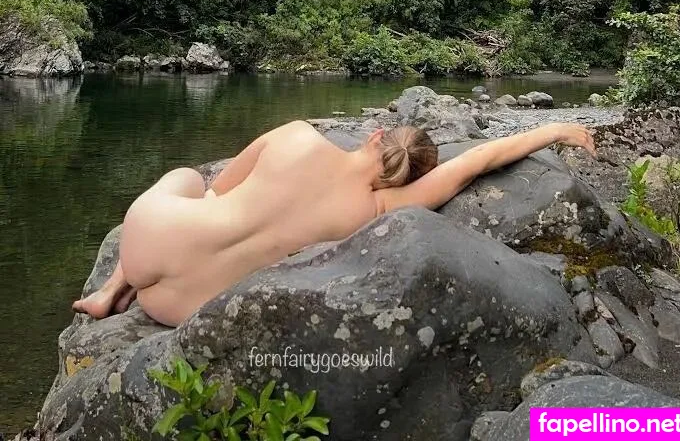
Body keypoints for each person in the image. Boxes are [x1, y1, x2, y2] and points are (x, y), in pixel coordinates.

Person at [73, 118, 596, 327]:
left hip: (150, 242)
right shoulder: (375, 210)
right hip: (179, 305)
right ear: (404, 179)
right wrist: (553, 130)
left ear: (376, 135)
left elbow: (222, 186)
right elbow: (474, 163)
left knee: (188, 179)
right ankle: (125, 290)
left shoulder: (296, 135)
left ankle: (113, 287)